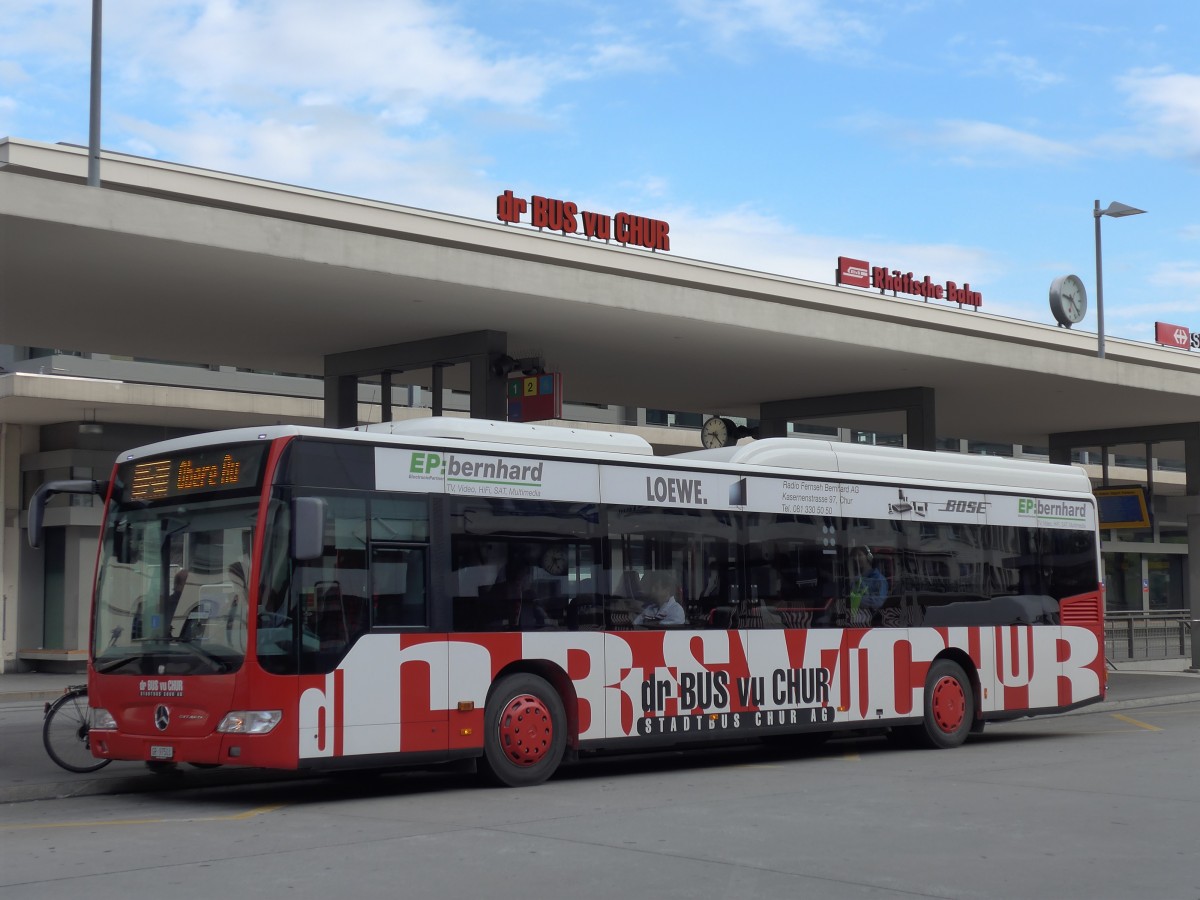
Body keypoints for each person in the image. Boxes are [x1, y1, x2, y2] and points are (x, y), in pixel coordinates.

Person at [848, 547, 888, 614]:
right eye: (855, 556)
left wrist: (856, 600)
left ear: (869, 557)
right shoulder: (856, 579)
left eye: (859, 555)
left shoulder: (879, 579)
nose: (857, 558)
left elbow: (878, 602)